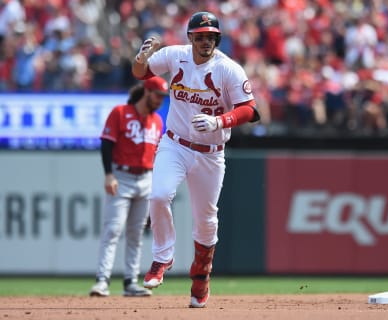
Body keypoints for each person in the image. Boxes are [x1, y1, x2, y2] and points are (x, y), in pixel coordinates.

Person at [131, 11, 260, 308]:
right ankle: (162, 258)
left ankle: (201, 276)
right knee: (160, 194)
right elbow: (140, 74)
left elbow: (251, 110)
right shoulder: (175, 56)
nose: (205, 41)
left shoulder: (228, 69)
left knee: (205, 220)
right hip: (175, 143)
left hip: (210, 153)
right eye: (200, 36)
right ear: (190, 38)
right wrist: (140, 59)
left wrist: (220, 122)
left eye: (211, 37)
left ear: (217, 39)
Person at [89, 76, 169, 297]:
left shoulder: (157, 121)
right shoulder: (121, 112)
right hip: (121, 176)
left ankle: (130, 282)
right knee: (112, 230)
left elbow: (157, 156)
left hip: (146, 179)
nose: (160, 100)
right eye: (158, 95)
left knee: (135, 234)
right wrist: (108, 175)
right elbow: (106, 144)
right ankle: (102, 280)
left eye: (163, 97)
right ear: (147, 92)